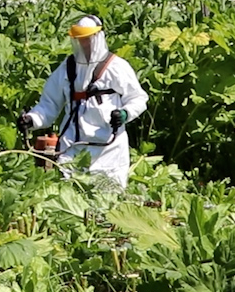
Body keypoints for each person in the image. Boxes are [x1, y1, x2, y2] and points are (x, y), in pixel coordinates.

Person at [17, 15, 148, 190]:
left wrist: (125, 114)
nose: (84, 44)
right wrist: (32, 120)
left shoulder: (116, 67)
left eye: (88, 39)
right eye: (80, 40)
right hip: (72, 146)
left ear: (98, 38)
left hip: (109, 149)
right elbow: (49, 104)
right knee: (69, 195)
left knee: (108, 199)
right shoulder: (68, 68)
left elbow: (138, 98)